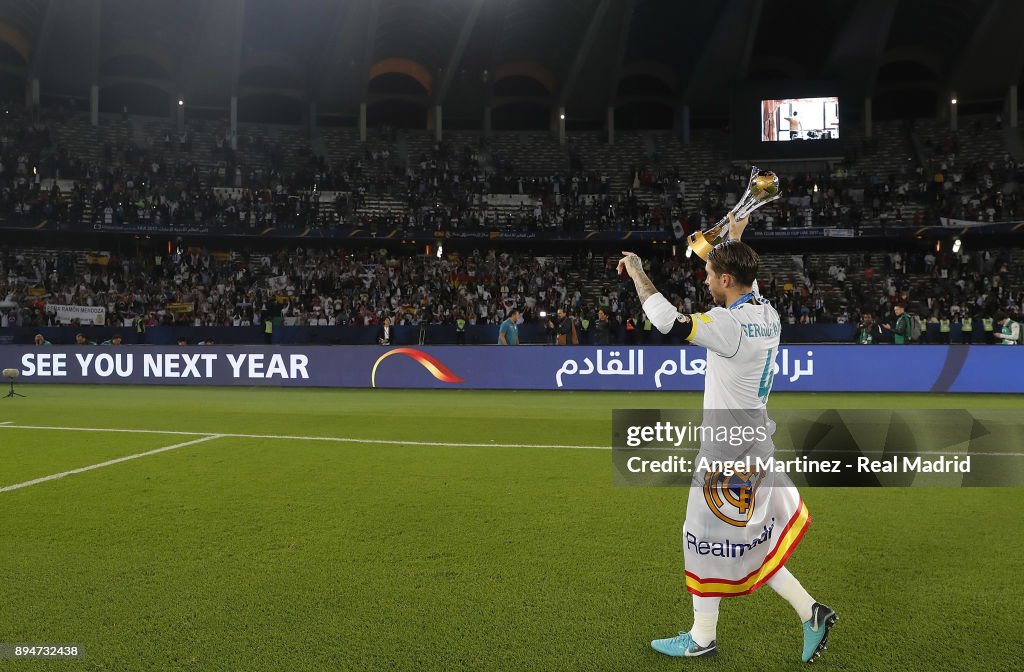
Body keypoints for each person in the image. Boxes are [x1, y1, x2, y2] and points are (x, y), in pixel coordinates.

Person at [617, 214, 836, 664]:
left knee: (701, 537)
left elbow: (667, 322)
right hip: (755, 442)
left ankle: (703, 638)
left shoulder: (727, 325)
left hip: (727, 453)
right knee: (747, 541)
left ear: (728, 279)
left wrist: (638, 271)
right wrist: (734, 237)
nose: (707, 281)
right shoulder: (765, 313)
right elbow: (748, 287)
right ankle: (808, 612)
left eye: (712, 276)